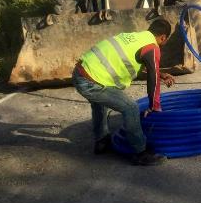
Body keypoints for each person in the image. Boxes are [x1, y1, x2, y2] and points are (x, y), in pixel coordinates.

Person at [71, 18, 176, 166]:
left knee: (100, 103)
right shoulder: (152, 47)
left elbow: (136, 61)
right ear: (163, 37)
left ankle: (101, 141)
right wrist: (154, 105)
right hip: (91, 81)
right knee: (131, 108)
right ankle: (140, 152)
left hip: (81, 72)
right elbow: (152, 76)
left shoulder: (136, 37)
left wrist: (161, 74)